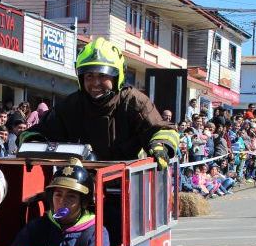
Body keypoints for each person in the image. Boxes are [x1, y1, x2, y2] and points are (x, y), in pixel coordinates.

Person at [20, 38, 178, 165]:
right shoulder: (71, 105)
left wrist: (160, 145)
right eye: (89, 76)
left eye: (102, 76)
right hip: (80, 185)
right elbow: (37, 132)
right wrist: (33, 143)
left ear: (117, 77)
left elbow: (164, 130)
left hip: (126, 187)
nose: (95, 83)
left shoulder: (134, 102)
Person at [10, 160, 109, 246]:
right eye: (58, 195)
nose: (62, 201)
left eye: (71, 196)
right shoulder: (35, 228)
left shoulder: (96, 233)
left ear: (84, 202)